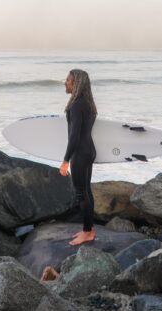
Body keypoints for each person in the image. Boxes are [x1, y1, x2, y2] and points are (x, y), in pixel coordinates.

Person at [59, 69, 98, 245]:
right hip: (89, 150)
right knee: (87, 191)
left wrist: (65, 160)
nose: (65, 83)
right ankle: (89, 229)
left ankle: (87, 232)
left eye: (68, 80)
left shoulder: (76, 105)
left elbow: (74, 136)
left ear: (76, 84)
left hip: (80, 153)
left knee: (81, 194)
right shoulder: (88, 104)